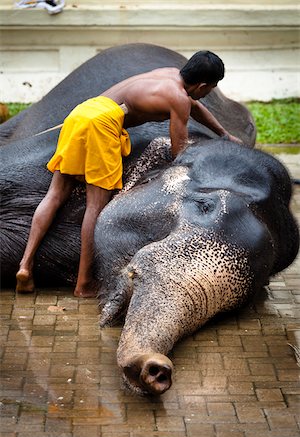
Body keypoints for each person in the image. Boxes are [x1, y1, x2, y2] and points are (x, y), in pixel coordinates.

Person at [16, 50, 242, 298]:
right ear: (202, 85)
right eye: (209, 89)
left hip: (80, 114)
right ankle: (83, 284)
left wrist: (223, 133)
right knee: (95, 206)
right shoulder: (179, 98)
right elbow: (180, 152)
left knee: (55, 194)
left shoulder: (167, 75)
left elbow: (194, 106)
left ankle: (25, 266)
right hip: (101, 125)